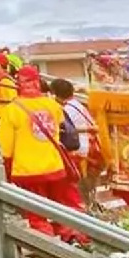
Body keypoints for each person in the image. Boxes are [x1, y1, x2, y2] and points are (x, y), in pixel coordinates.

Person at [0, 65, 84, 238]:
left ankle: (47, 252)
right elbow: (58, 127)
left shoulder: (12, 110)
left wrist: (5, 172)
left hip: (28, 172)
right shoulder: (52, 105)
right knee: (63, 213)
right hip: (55, 167)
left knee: (36, 218)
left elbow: (4, 150)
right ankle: (71, 244)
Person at [52, 77, 101, 208]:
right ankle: (91, 207)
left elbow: (68, 130)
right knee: (87, 186)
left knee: (80, 185)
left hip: (80, 150)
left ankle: (86, 211)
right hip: (91, 148)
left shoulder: (65, 109)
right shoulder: (78, 104)